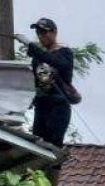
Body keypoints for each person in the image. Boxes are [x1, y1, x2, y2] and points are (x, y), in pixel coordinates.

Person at [14, 18, 74, 148]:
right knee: (38, 144)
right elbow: (35, 81)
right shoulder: (38, 57)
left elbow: (57, 63)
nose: (41, 36)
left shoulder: (64, 52)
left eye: (44, 32)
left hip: (58, 106)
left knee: (53, 145)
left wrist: (33, 48)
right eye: (38, 33)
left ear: (54, 32)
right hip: (42, 106)